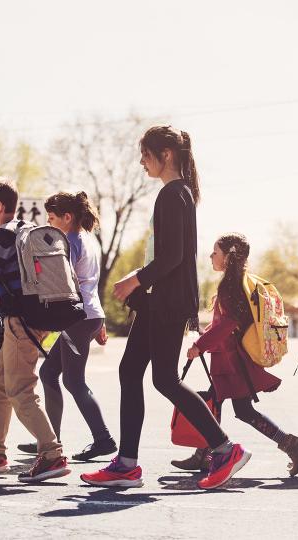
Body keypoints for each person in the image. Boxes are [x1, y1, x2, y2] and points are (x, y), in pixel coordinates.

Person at [80, 126, 251, 490]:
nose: (142, 161)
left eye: (146, 154)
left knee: (164, 379)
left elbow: (172, 256)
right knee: (132, 371)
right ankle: (127, 463)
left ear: (167, 154)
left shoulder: (174, 194)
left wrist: (135, 281)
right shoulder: (178, 193)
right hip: (163, 299)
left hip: (167, 301)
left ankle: (224, 449)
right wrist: (140, 279)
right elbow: (170, 253)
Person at [173, 233, 298, 476]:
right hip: (230, 359)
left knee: (241, 410)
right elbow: (227, 323)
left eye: (215, 252)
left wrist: (200, 345)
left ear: (228, 257)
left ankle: (292, 444)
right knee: (214, 402)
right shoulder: (239, 282)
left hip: (233, 362)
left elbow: (228, 323)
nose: (211, 257)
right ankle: (204, 454)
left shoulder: (230, 285)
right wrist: (205, 336)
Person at [0, 179, 70, 483]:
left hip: (20, 322)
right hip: (36, 318)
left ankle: (52, 454)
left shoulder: (2, 235)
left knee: (19, 390)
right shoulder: (26, 229)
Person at [15, 191, 117, 462]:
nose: (48, 223)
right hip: (90, 315)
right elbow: (90, 282)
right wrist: (101, 322)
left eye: (51, 218)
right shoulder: (89, 239)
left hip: (78, 318)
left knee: (73, 380)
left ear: (67, 218)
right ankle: (49, 440)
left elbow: (63, 283)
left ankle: (103, 439)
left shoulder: (69, 241)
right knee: (49, 373)